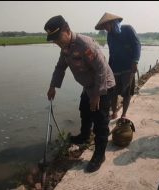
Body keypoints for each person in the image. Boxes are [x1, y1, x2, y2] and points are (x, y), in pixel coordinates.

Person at [44, 15, 115, 172]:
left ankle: (99, 155)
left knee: (100, 122)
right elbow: (60, 67)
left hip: (103, 86)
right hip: (88, 86)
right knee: (84, 110)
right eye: (53, 40)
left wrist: (96, 95)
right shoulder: (65, 48)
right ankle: (84, 136)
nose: (56, 42)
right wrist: (52, 86)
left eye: (57, 38)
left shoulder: (85, 45)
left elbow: (101, 69)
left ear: (67, 30)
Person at [95, 12, 141, 119]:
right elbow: (112, 52)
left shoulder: (127, 29)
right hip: (115, 67)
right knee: (113, 91)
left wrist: (135, 61)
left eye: (106, 25)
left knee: (127, 92)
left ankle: (124, 114)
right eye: (103, 27)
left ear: (112, 23)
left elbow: (137, 45)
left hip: (128, 67)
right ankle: (114, 112)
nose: (105, 28)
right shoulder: (110, 35)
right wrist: (108, 68)